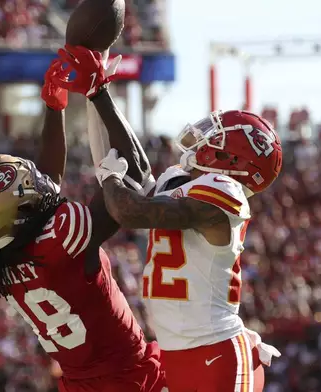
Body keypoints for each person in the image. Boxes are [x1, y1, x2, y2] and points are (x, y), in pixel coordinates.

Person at [55, 45, 282, 392]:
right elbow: (131, 163)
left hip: (219, 353)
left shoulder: (225, 194)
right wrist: (98, 94)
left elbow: (130, 210)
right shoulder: (184, 180)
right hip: (180, 353)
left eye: (216, 135)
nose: (204, 135)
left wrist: (111, 177)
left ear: (233, 160)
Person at [0, 60, 165, 392]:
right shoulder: (60, 241)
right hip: (131, 379)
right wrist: (99, 92)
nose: (37, 184)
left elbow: (46, 190)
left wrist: (55, 107)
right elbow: (137, 177)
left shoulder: (0, 264)